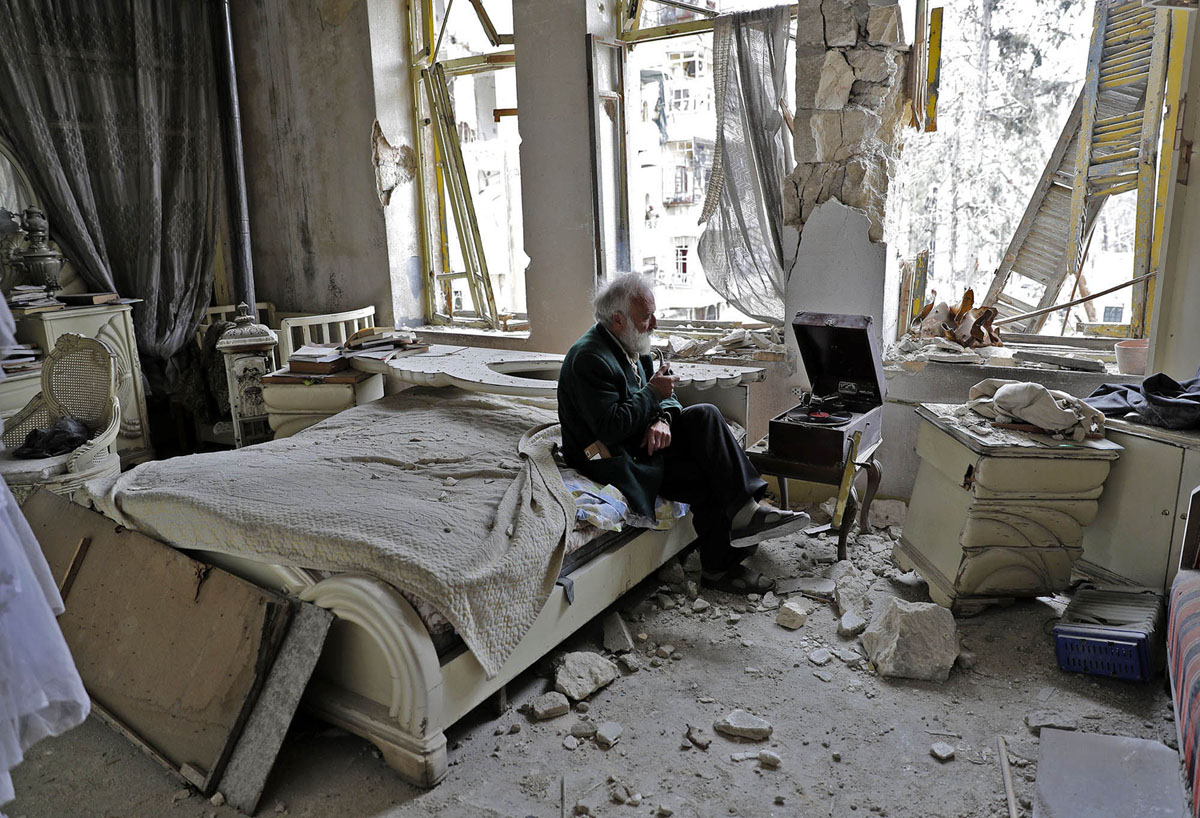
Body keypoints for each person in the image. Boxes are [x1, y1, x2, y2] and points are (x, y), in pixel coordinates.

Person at [557, 273, 808, 592]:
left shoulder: (635, 345)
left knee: (706, 415)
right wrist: (651, 395)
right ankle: (722, 564)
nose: (655, 324)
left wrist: (662, 418)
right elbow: (611, 428)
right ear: (618, 320)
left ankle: (746, 515)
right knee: (708, 474)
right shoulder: (589, 358)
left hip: (642, 441)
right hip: (612, 457)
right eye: (646, 317)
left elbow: (670, 396)